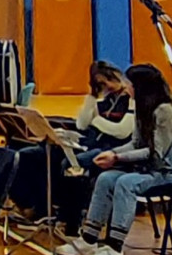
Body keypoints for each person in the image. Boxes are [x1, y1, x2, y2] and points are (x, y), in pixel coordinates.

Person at [55, 64, 172, 255]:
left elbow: (156, 152)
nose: (127, 87)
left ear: (142, 87)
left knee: (126, 182)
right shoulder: (143, 107)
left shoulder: (165, 110)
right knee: (106, 178)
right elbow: (135, 143)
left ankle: (115, 248)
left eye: (130, 84)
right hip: (151, 168)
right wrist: (113, 154)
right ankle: (88, 239)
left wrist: (117, 157)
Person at [8, 60, 134, 232]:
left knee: (70, 164)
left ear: (118, 75)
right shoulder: (105, 99)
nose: (108, 86)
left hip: (112, 149)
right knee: (33, 154)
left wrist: (96, 121)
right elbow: (82, 124)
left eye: (108, 81)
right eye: (100, 84)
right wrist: (92, 97)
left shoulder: (132, 100)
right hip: (89, 143)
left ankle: (69, 219)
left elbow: (122, 131)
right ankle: (36, 207)